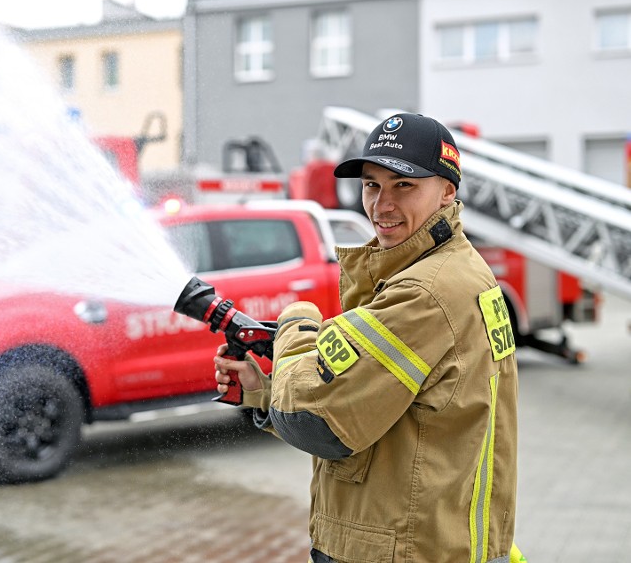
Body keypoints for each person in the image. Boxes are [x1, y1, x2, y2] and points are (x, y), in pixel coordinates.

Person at [214, 113, 521, 563]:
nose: (382, 204)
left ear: (448, 191)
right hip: (435, 539)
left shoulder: (423, 293)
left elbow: (318, 421)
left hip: (400, 549)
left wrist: (297, 326)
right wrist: (263, 395)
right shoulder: (454, 268)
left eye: (404, 185)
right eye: (372, 185)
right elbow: (382, 415)